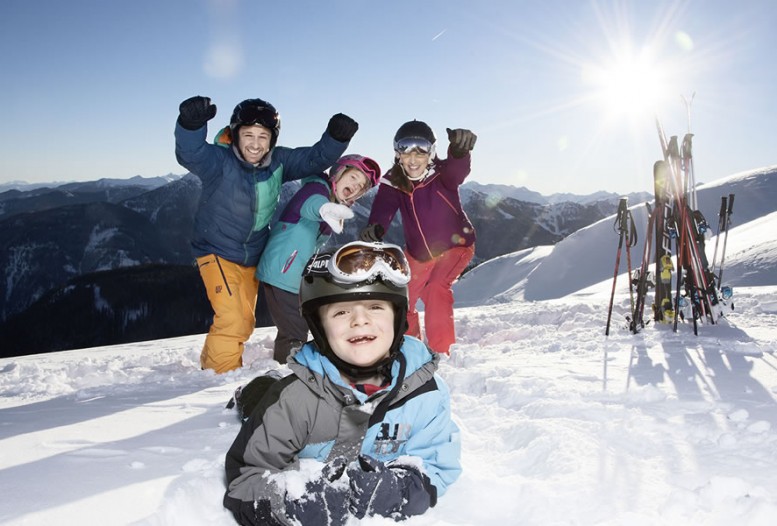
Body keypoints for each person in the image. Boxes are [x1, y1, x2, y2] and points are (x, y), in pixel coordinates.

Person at [223, 241, 461, 525]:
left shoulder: (425, 393)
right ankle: (253, 388)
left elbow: (435, 463)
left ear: (398, 318)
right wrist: (288, 502)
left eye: (375, 306)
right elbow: (246, 476)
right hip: (277, 398)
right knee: (261, 397)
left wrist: (401, 490)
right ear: (320, 328)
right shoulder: (293, 399)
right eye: (341, 312)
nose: (360, 321)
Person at [175, 95, 358, 373]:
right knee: (234, 319)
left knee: (244, 322)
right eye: (248, 135)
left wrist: (336, 138)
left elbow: (314, 158)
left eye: (263, 136)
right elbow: (190, 152)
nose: (256, 144)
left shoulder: (278, 161)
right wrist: (190, 124)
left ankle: (215, 368)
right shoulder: (219, 162)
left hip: (253, 255)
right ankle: (216, 378)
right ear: (235, 134)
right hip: (217, 250)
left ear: (272, 138)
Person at [360, 120, 477, 355]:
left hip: (456, 246)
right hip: (419, 253)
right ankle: (412, 350)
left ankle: (441, 351)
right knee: (402, 297)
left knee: (435, 288)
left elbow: (458, 170)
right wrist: (375, 228)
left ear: (431, 152)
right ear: (397, 154)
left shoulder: (443, 174)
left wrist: (459, 152)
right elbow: (383, 209)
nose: (412, 159)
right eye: (405, 150)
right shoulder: (393, 181)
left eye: (420, 150)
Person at [257, 154, 382, 364]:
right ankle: (288, 370)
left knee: (300, 321)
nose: (356, 187)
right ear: (339, 172)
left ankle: (295, 361)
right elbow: (311, 204)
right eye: (353, 178)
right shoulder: (317, 190)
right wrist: (325, 209)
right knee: (295, 329)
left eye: (361, 186)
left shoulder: (331, 199)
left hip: (293, 275)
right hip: (282, 271)